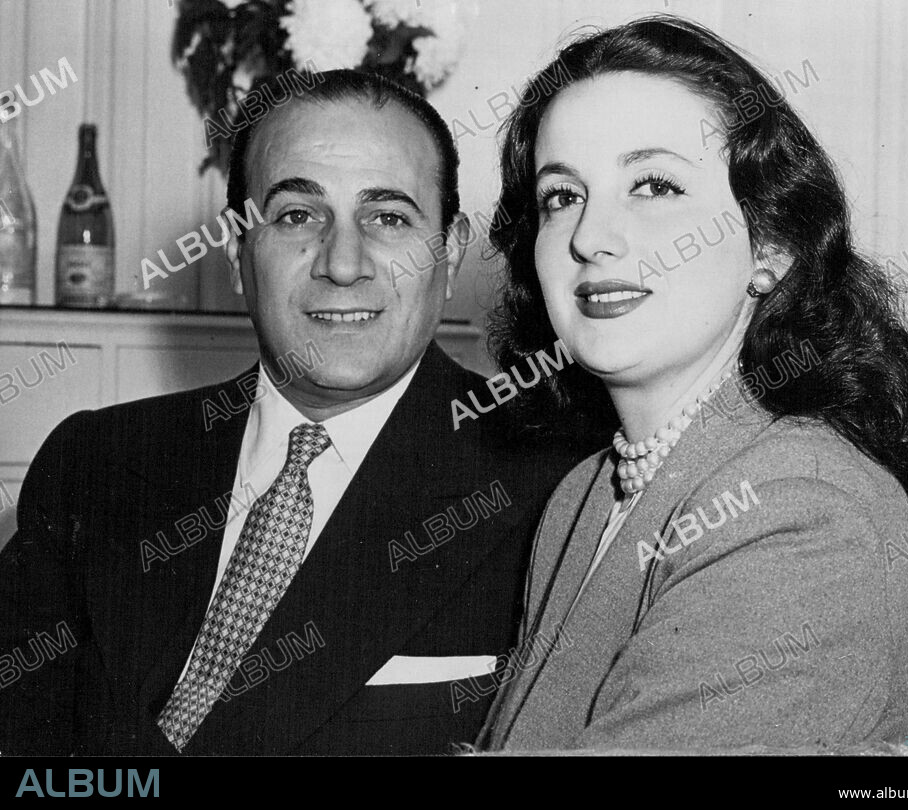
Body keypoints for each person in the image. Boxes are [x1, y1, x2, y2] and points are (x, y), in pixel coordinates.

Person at [0, 69, 591, 756]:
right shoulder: (96, 461)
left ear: (450, 252)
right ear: (235, 250)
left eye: (390, 217)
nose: (343, 264)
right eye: (296, 216)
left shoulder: (557, 488)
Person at [476, 16, 908, 752]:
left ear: (772, 247)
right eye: (562, 195)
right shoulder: (587, 492)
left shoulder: (805, 513)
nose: (591, 236)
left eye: (654, 186)